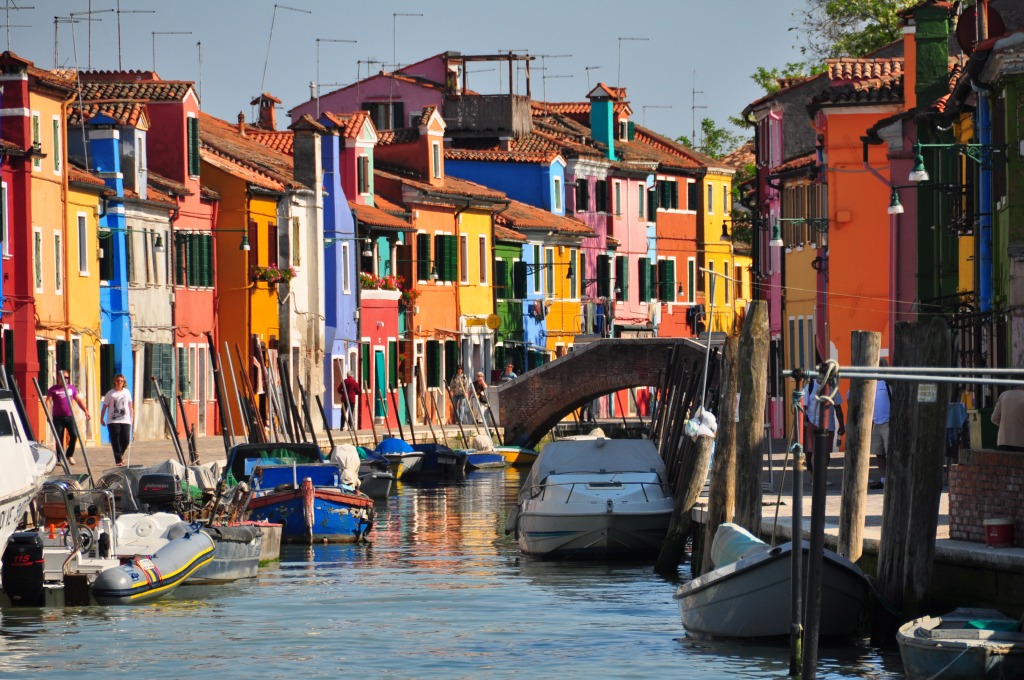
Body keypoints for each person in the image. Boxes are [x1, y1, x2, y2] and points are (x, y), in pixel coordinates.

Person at [45, 371, 90, 466]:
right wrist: (48, 414)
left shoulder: (71, 388)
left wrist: (86, 411)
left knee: (74, 435)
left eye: (67, 377)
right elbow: (48, 401)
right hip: (58, 418)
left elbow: (78, 400)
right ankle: (60, 458)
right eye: (64, 377)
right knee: (59, 438)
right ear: (58, 378)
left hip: (69, 417)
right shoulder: (53, 389)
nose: (66, 379)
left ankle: (69, 455)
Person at [803, 377, 845, 475]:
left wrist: (841, 425)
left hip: (828, 426)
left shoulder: (832, 388)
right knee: (813, 451)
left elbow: (838, 408)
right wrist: (805, 424)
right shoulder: (810, 387)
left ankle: (821, 475)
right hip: (813, 423)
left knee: (826, 453)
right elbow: (804, 407)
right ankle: (814, 476)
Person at [868, 359, 892, 490]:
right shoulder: (872, 384)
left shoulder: (889, 383)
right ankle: (883, 479)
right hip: (876, 422)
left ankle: (892, 478)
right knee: (879, 452)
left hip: (888, 422)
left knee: (890, 453)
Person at [100, 374, 133, 466]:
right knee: (115, 440)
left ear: (124, 383)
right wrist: (101, 418)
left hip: (125, 420)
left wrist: (132, 418)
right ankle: (118, 460)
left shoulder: (127, 392)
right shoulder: (110, 393)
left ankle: (119, 456)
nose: (119, 382)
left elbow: (130, 406)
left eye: (121, 381)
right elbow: (104, 407)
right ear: (115, 381)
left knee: (125, 440)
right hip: (113, 421)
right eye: (118, 380)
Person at [992, 386, 1024, 452]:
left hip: (1003, 442)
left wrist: (1006, 426)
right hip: (1021, 443)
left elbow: (994, 418)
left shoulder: (1003, 395)